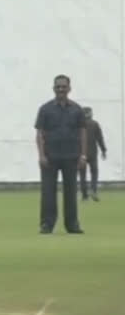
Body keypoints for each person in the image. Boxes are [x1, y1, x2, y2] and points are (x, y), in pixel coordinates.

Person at [34, 74, 86, 234]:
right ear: (53, 88)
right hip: (50, 157)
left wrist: (83, 155)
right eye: (58, 86)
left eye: (64, 86)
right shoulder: (45, 109)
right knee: (48, 192)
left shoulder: (77, 109)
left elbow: (82, 132)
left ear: (69, 88)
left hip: (71, 156)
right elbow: (39, 133)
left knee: (71, 192)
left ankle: (72, 225)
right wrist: (41, 155)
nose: (61, 89)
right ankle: (47, 224)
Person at [79, 107, 106, 201]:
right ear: (91, 114)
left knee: (82, 174)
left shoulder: (78, 125)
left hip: (81, 153)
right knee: (94, 172)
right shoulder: (95, 124)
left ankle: (84, 195)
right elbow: (100, 138)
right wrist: (103, 150)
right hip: (92, 153)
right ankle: (93, 190)